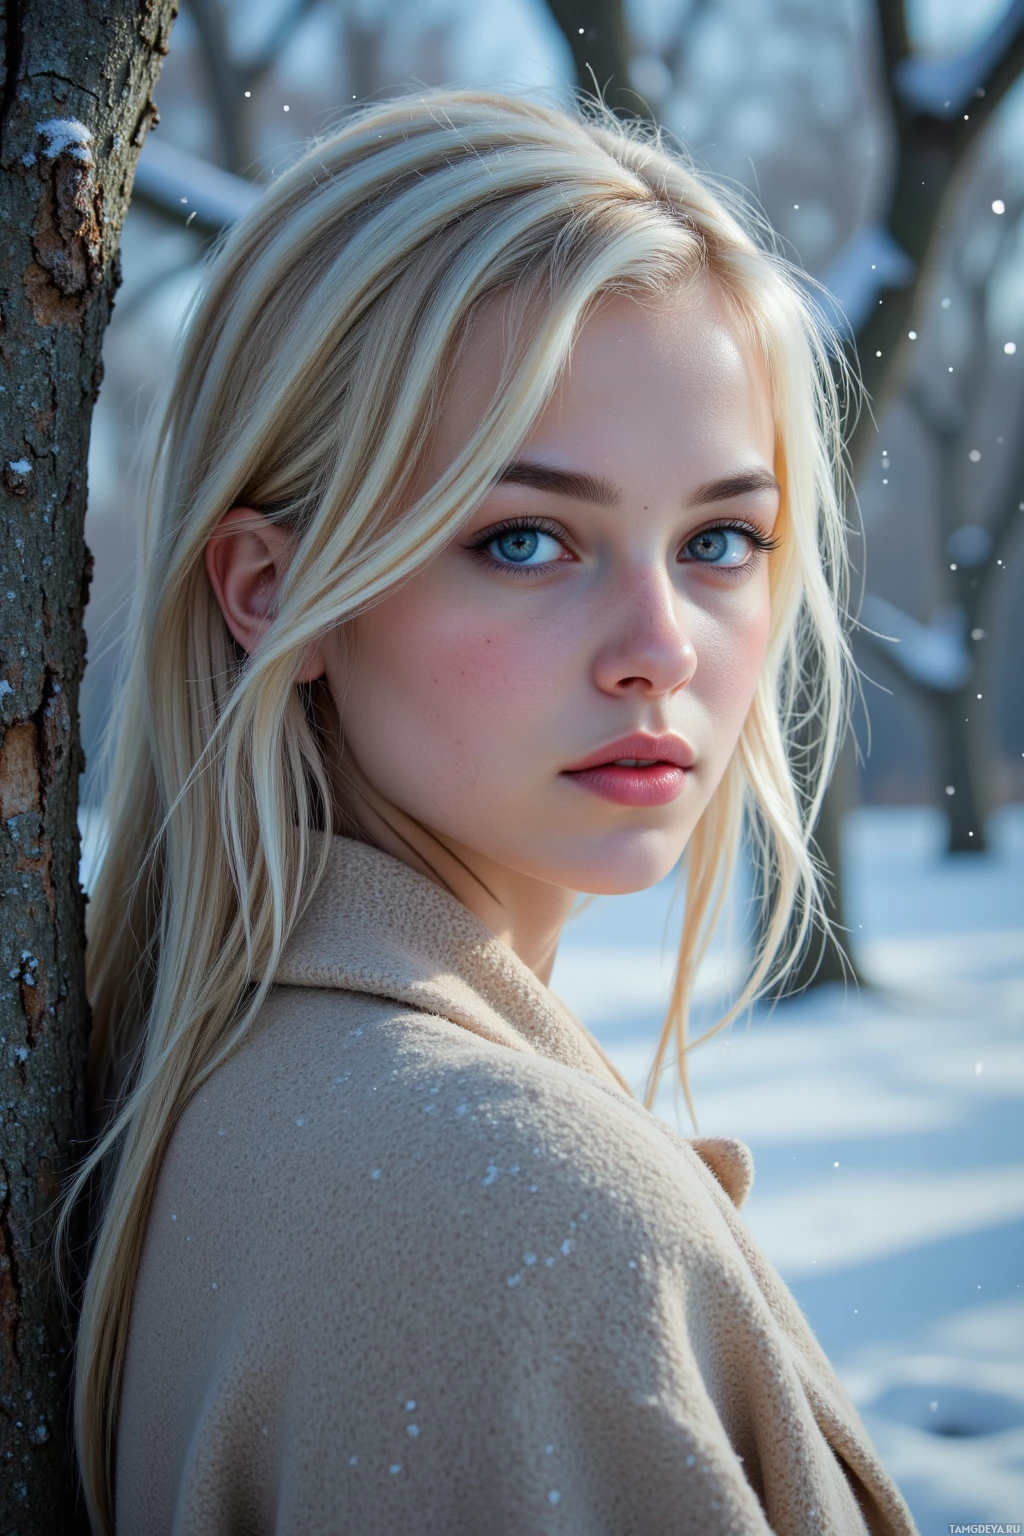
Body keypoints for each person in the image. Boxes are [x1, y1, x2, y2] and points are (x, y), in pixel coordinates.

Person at [65, 90, 918, 1534]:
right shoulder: (512, 1225)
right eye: (524, 538)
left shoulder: (226, 1084)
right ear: (276, 593)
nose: (661, 643)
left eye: (722, 539)